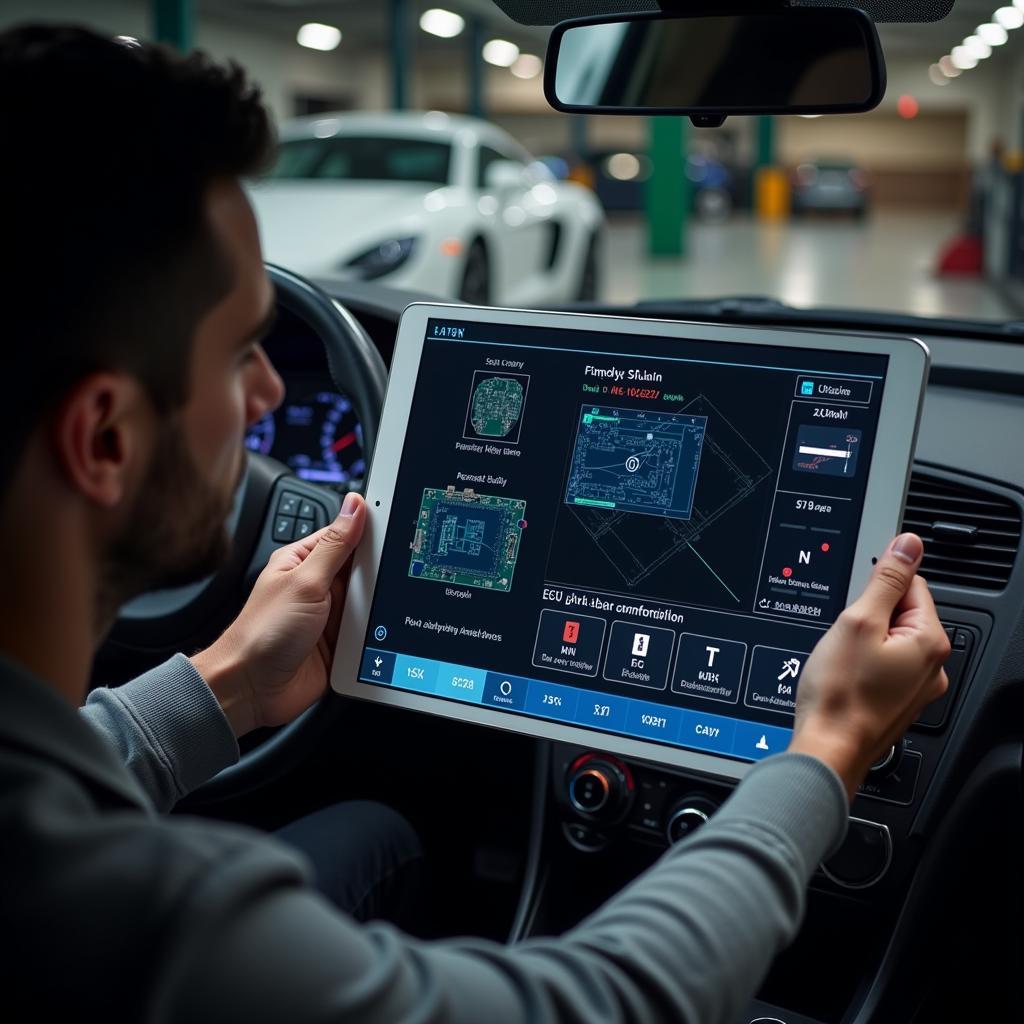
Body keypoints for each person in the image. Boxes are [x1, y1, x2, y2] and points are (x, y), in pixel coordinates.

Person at [0, 24, 950, 1024]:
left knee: (377, 827)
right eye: (242, 351)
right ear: (103, 437)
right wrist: (825, 751)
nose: (274, 391)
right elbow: (604, 1003)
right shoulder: (135, 929)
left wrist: (228, 679)